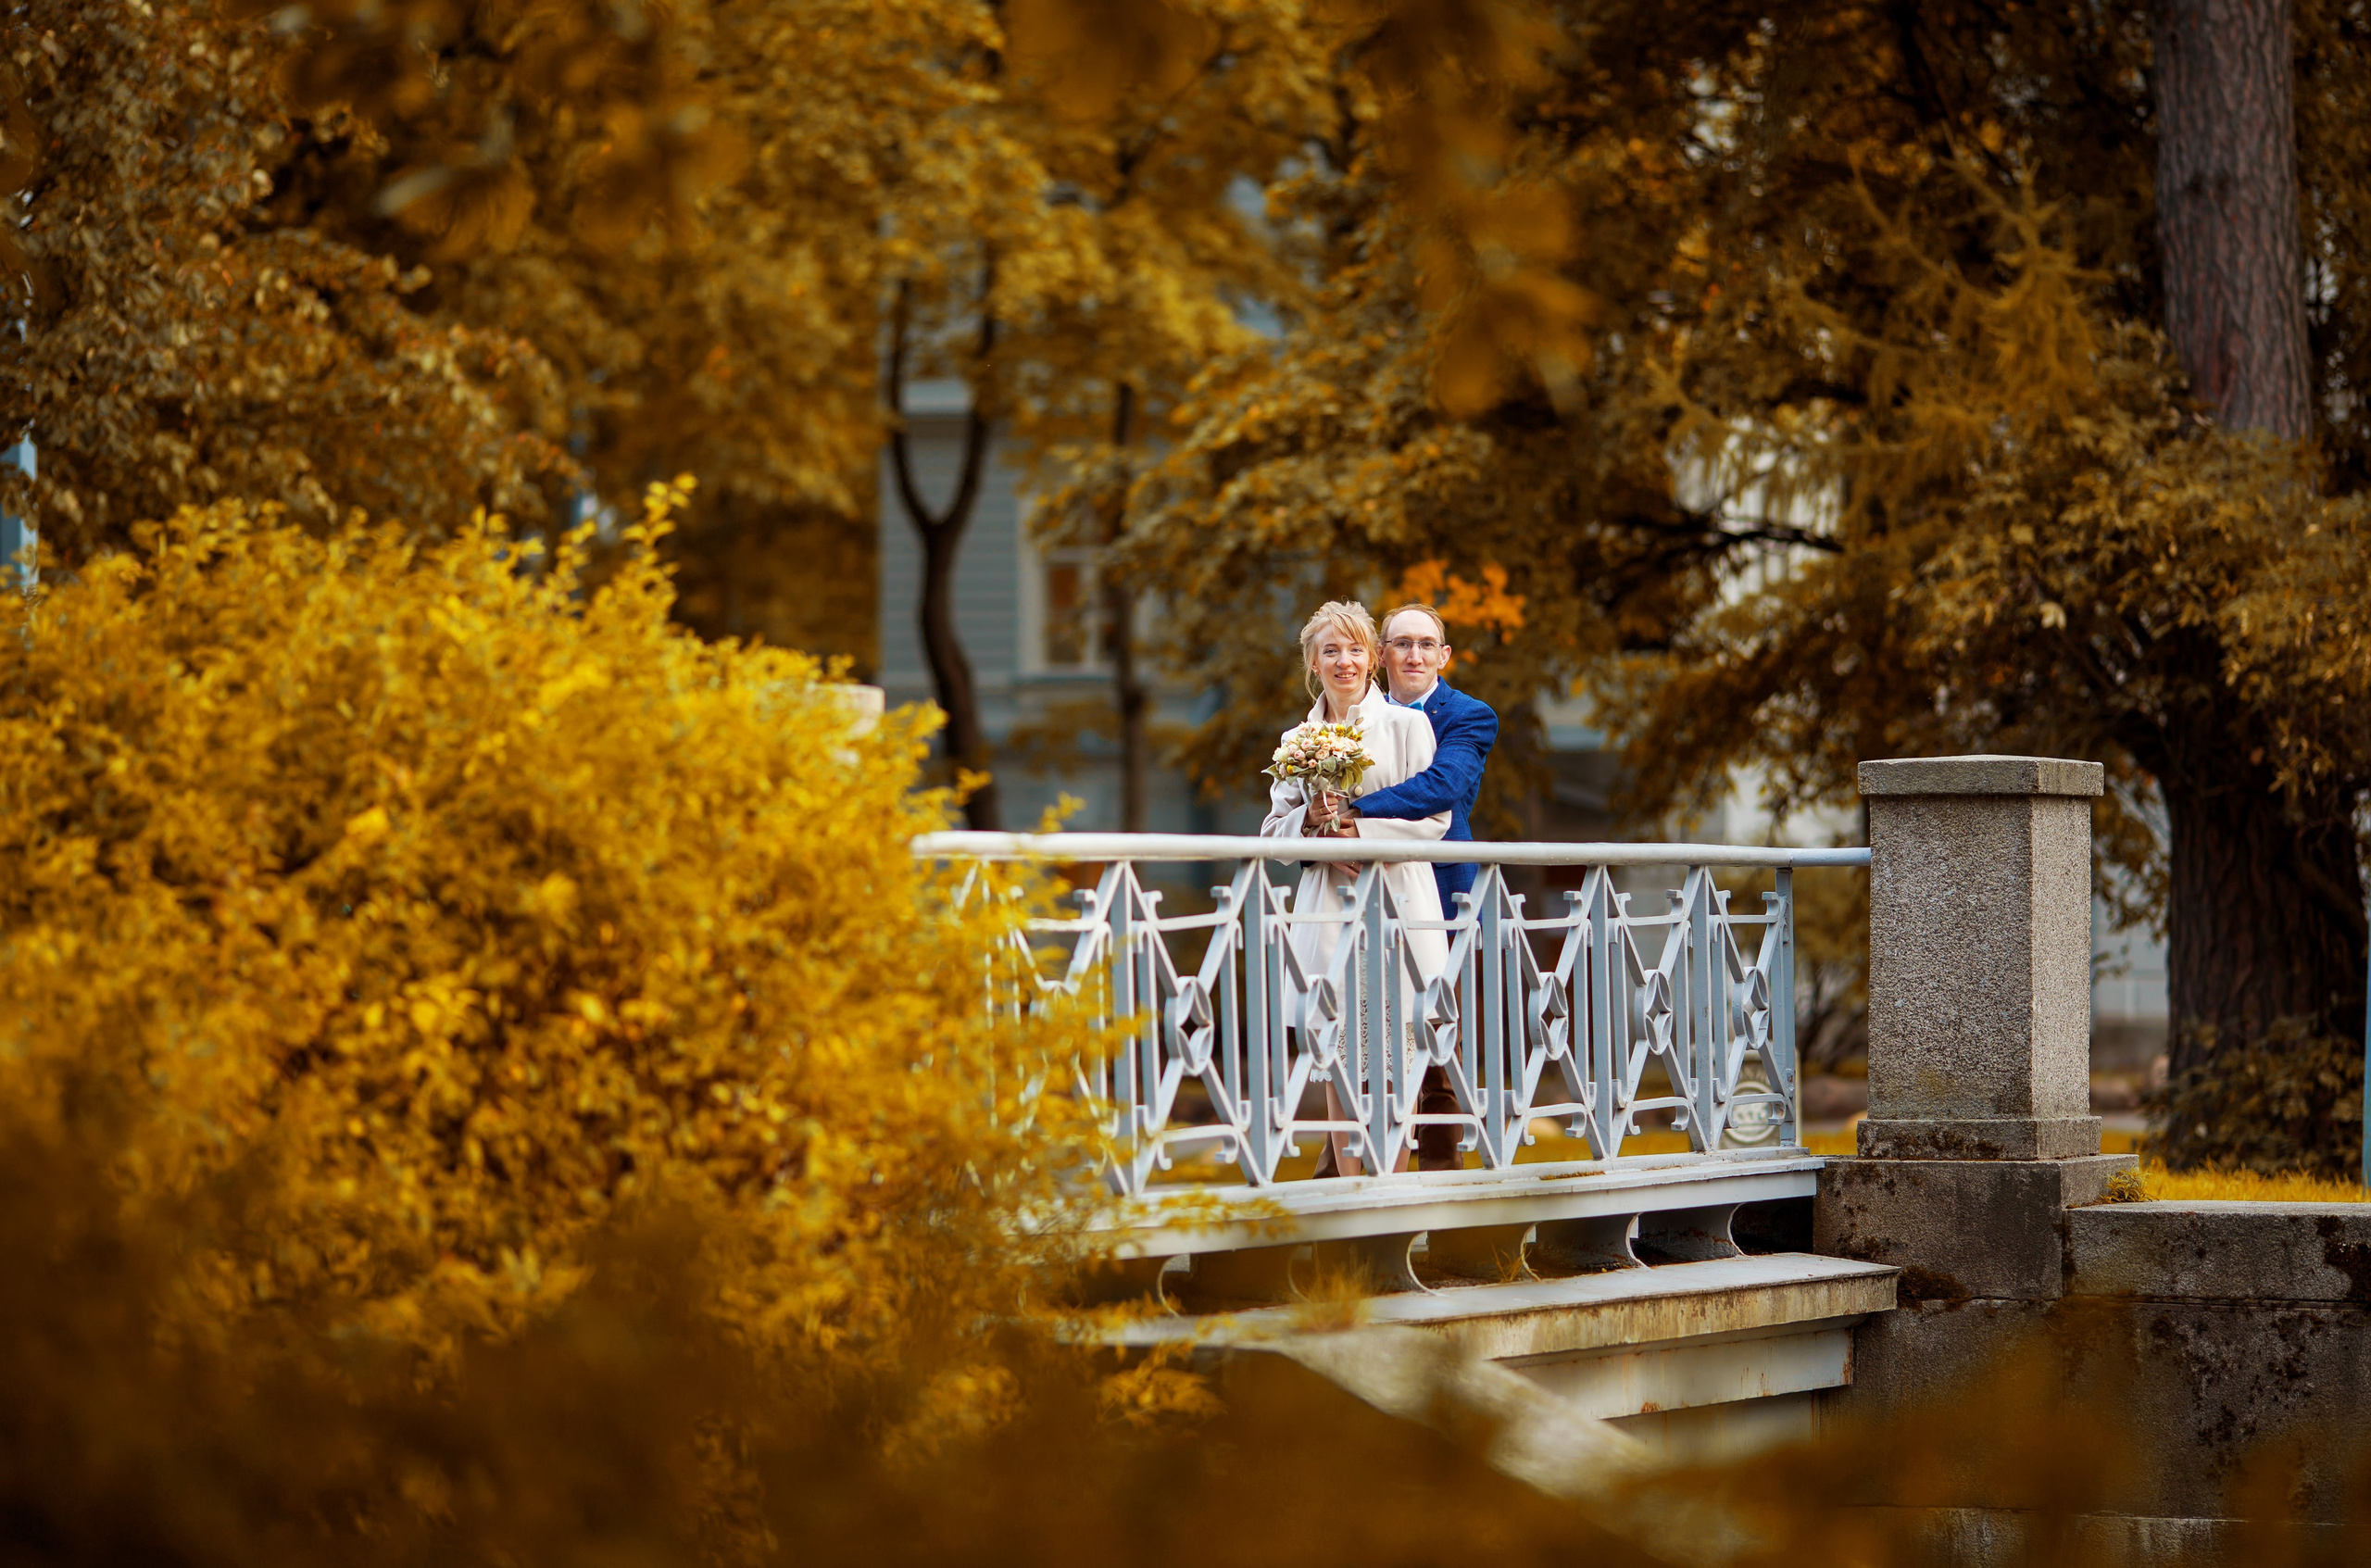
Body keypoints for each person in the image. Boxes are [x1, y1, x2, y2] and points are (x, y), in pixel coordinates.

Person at [1258, 600, 1449, 1178]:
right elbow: (1272, 836)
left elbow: (1434, 821)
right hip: (1329, 908)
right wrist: (1311, 824)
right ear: (1313, 664)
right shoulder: (1297, 739)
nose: (1345, 662)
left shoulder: (1406, 725)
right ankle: (1348, 1188)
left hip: (1397, 902)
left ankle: (1391, 1188)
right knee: (1338, 1053)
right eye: (1331, 651)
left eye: (1355, 650)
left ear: (1372, 659)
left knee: (1399, 1057)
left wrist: (1358, 833)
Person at [1307, 600, 1498, 1170]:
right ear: (1382, 654)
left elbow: (1443, 785)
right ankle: (1343, 1176)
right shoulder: (1349, 713)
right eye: (1402, 643)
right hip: (1352, 896)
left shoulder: (1467, 715)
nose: (1414, 655)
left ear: (1444, 656)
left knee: (1431, 1048)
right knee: (1353, 1039)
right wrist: (1324, 835)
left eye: (1426, 644)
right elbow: (1300, 807)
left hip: (1436, 890)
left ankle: (1439, 1194)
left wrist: (1355, 817)